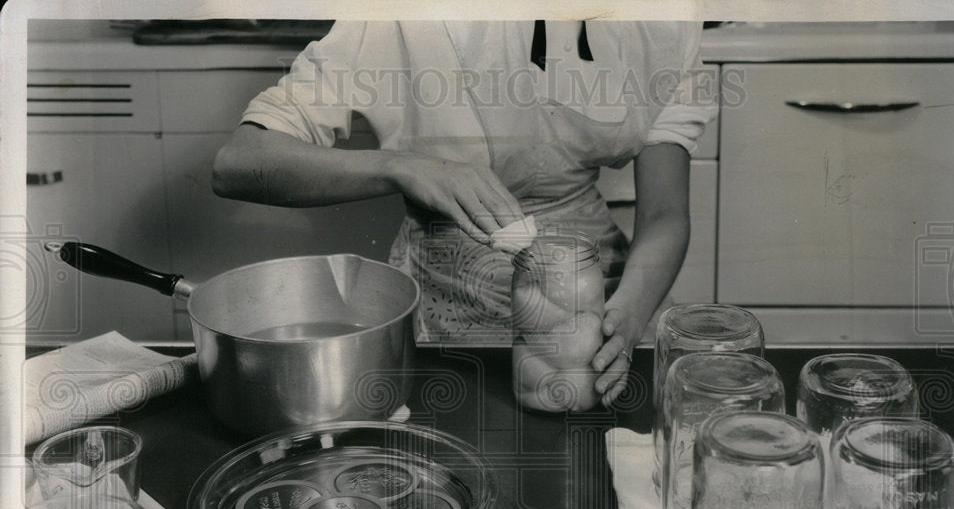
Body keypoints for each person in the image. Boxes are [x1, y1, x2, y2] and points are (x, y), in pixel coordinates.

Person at [213, 20, 716, 407]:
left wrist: (626, 317)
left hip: (601, 298)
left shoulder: (660, 16)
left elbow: (666, 215)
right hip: (447, 308)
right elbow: (240, 162)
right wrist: (404, 168)